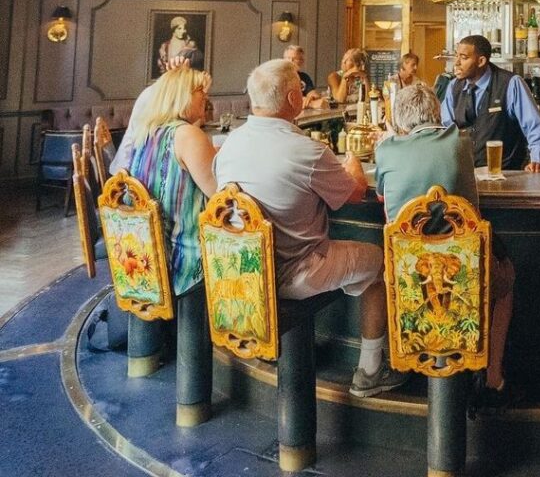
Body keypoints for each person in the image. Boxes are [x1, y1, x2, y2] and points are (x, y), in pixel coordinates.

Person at [214, 59, 406, 398]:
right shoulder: (308, 151)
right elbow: (356, 192)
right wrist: (354, 165)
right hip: (296, 275)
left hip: (241, 276)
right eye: (301, 91)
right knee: (382, 262)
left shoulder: (229, 145)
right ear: (292, 99)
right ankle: (370, 371)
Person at [374, 83, 515, 409]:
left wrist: (391, 136)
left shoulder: (386, 149)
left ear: (399, 119)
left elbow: (381, 195)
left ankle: (404, 354)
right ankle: (493, 376)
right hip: (464, 274)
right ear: (436, 112)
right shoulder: (460, 141)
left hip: (409, 279)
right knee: (505, 280)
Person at [126, 65, 218, 297]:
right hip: (186, 257)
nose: (206, 97)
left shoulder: (146, 131)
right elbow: (220, 195)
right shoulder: (188, 135)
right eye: (201, 91)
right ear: (182, 95)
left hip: (145, 255)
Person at [440, 35, 540, 172]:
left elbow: (535, 128)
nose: (456, 63)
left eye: (463, 58)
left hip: (507, 176)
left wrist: (538, 162)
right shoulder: (453, 87)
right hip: (466, 175)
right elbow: (446, 130)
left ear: (481, 61)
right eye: (456, 56)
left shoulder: (511, 84)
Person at [327, 48, 369, 119]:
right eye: (343, 59)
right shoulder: (334, 76)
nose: (343, 62)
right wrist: (345, 77)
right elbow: (340, 99)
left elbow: (368, 99)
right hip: (337, 117)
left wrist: (365, 78)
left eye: (346, 60)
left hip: (358, 115)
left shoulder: (361, 78)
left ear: (356, 64)